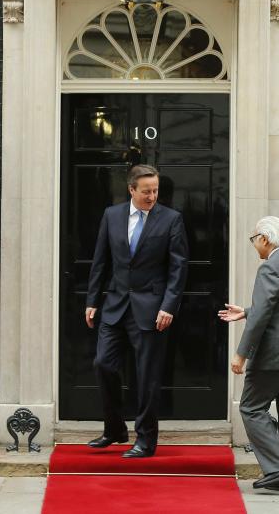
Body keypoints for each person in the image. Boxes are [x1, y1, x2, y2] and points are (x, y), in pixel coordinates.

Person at [85, 164, 189, 458]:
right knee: (103, 364)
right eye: (146, 191)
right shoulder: (112, 215)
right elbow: (100, 261)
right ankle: (115, 429)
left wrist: (169, 306)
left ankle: (145, 440)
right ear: (131, 189)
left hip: (152, 309)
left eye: (155, 190)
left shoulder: (171, 220)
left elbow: (178, 268)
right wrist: (92, 300)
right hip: (115, 306)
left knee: (147, 377)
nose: (152, 196)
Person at [218, 216, 279, 493]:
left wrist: (241, 354)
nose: (254, 246)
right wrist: (245, 311)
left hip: (275, 354)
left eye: (254, 240)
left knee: (251, 407)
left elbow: (263, 315)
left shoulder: (271, 267)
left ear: (265, 238)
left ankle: (277, 469)